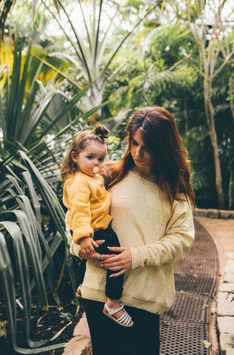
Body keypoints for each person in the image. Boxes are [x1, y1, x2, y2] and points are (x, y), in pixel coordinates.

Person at [67, 106, 195, 355]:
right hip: (99, 294)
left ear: (164, 146)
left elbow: (181, 241)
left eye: (148, 146)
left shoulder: (175, 189)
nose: (138, 153)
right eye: (134, 143)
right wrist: (81, 248)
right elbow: (74, 215)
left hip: (144, 296)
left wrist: (135, 256)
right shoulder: (108, 175)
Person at [61, 125, 133, 328]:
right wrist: (84, 237)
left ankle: (84, 286)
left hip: (94, 228)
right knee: (116, 263)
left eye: (100, 159)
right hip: (93, 230)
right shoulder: (79, 183)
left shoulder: (91, 178)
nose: (97, 163)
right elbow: (79, 210)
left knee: (96, 260)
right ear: (75, 157)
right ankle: (113, 303)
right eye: (90, 157)